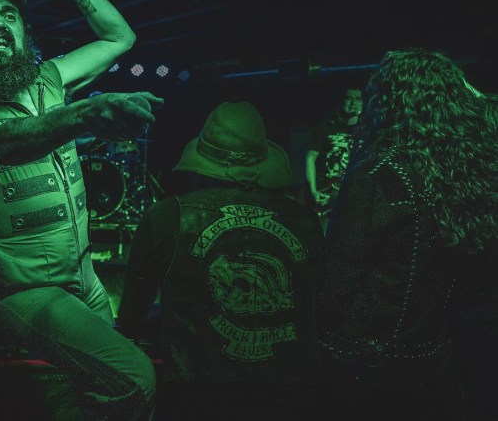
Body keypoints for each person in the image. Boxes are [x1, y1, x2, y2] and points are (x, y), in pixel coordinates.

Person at [0, 0, 162, 420]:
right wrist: (83, 113)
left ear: (24, 33)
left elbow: (120, 37)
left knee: (83, 396)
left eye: (9, 15)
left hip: (86, 280)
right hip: (20, 289)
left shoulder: (48, 80)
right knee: (135, 377)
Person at [316, 48, 498, 420]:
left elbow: (336, 282)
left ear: (387, 99)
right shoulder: (460, 176)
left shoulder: (378, 173)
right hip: (432, 354)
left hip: (365, 361)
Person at [117, 102, 326, 421]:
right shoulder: (306, 221)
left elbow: (131, 318)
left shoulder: (166, 216)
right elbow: (321, 312)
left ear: (201, 161)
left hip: (196, 395)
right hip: (291, 395)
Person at [305, 86, 363, 232]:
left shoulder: (365, 129)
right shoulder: (325, 126)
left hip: (352, 191)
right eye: (349, 98)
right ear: (341, 101)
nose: (353, 103)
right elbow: (310, 159)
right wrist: (313, 191)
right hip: (326, 192)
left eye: (358, 99)